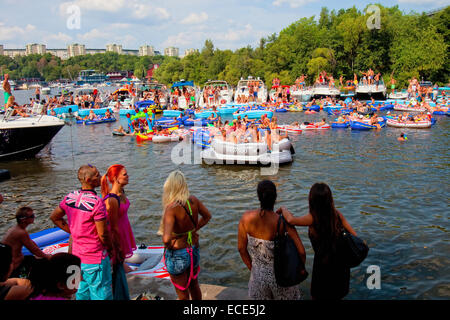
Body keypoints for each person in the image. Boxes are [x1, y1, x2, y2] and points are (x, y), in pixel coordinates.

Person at [278, 182, 357, 300]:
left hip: (323, 268)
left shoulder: (313, 218)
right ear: (330, 199)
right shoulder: (337, 215)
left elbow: (291, 220)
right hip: (341, 268)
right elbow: (355, 237)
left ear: (312, 200)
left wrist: (283, 208)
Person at [50, 164, 113, 300]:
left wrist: (73, 230)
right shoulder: (97, 202)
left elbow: (55, 217)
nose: (101, 177)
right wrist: (111, 249)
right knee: (101, 293)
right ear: (89, 180)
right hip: (95, 258)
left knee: (81, 292)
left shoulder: (70, 197)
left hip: (76, 258)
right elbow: (103, 234)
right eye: (97, 175)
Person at [238, 180, 306, 300]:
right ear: (275, 197)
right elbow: (301, 252)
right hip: (282, 276)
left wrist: (253, 269)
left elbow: (241, 249)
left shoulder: (246, 218)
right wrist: (297, 270)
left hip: (258, 277)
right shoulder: (282, 222)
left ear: (259, 197)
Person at [158, 170, 212, 300]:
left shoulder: (171, 208)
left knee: (182, 292)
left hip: (178, 253)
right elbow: (207, 216)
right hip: (193, 248)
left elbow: (166, 239)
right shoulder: (193, 200)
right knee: (194, 285)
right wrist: (193, 230)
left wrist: (170, 245)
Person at [101, 164, 136, 300]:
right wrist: (117, 247)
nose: (128, 176)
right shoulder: (112, 199)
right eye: (125, 174)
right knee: (115, 264)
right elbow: (112, 226)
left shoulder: (121, 193)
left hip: (124, 229)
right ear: (115, 178)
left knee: (119, 264)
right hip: (117, 232)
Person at [1, 206, 51, 278]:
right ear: (24, 220)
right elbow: (34, 250)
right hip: (15, 266)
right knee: (44, 263)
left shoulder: (15, 229)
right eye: (32, 216)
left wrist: (41, 253)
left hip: (15, 262)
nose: (34, 217)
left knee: (35, 258)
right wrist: (47, 256)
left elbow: (31, 243)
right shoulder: (21, 232)